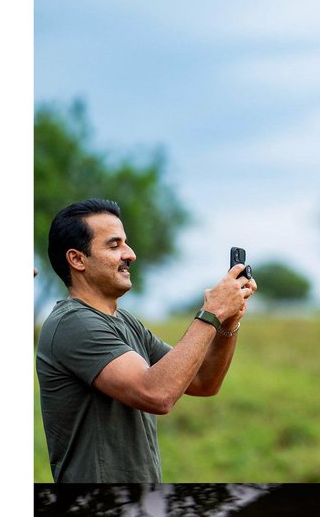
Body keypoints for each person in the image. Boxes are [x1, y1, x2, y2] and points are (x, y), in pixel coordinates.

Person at [36, 199, 257, 482]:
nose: (130, 254)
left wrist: (229, 319)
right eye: (114, 245)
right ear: (78, 259)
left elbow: (203, 382)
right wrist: (212, 312)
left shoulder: (125, 322)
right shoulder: (72, 323)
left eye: (125, 243)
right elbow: (157, 394)